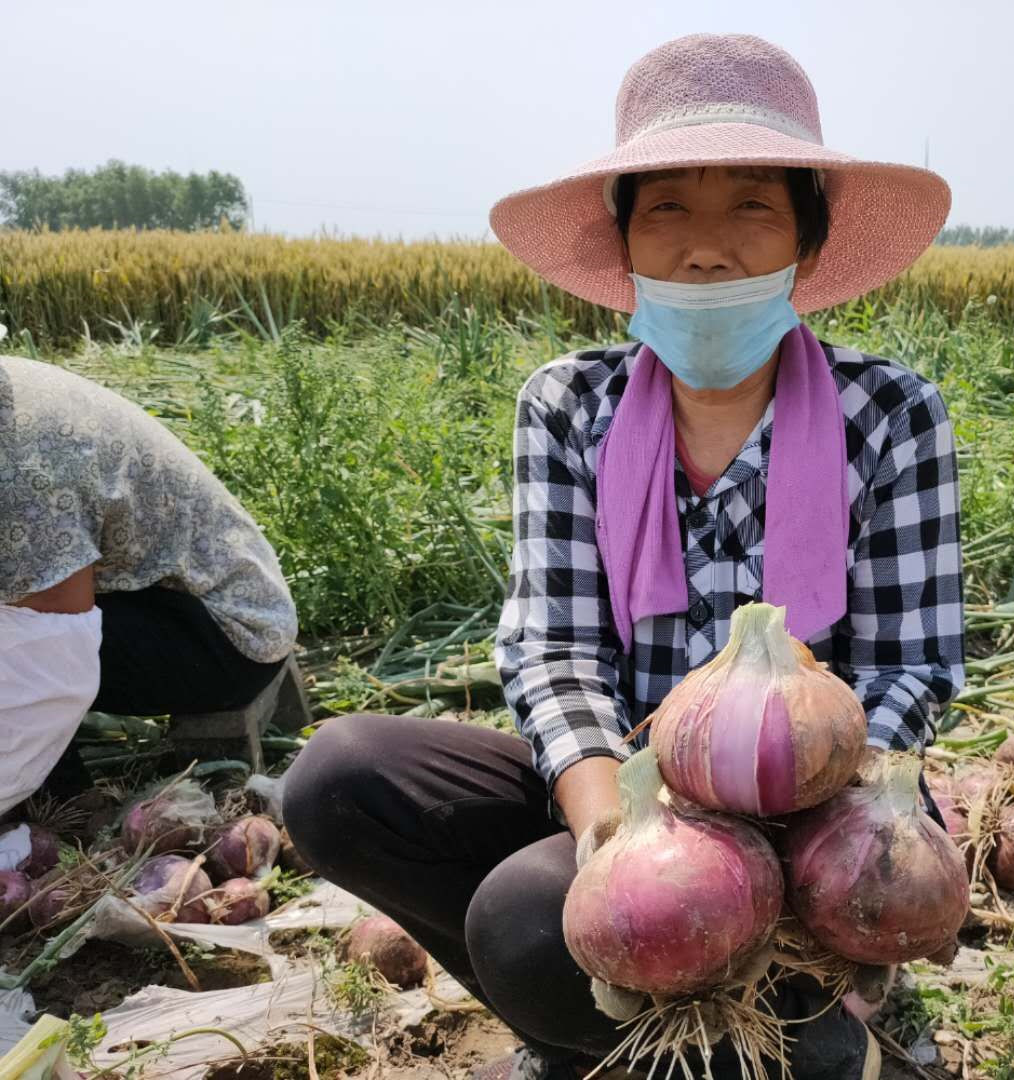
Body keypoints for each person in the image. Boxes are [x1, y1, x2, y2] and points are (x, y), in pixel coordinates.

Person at [284, 32, 963, 1080]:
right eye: (668, 210)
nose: (706, 247)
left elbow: (908, 667)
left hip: (824, 810)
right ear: (625, 249)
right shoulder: (567, 406)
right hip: (623, 780)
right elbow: (554, 651)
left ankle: (760, 1038)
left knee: (520, 922)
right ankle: (681, 1034)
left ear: (808, 247)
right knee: (339, 779)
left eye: (750, 206)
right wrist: (618, 836)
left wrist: (777, 815)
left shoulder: (893, 414)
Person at [0, 355, 298, 814]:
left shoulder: (18, 472)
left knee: (23, 653)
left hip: (226, 635)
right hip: (170, 593)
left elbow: (52, 662)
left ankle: (59, 804)